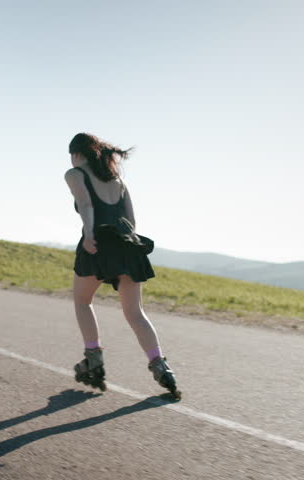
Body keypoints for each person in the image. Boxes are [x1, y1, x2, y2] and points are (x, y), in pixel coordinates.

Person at [63, 132, 180, 400]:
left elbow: (86, 204)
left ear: (77, 154)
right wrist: (126, 247)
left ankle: (93, 359)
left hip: (98, 243)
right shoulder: (118, 180)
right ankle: (161, 367)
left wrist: (89, 235)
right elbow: (131, 220)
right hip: (128, 245)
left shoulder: (74, 174)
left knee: (83, 302)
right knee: (135, 312)